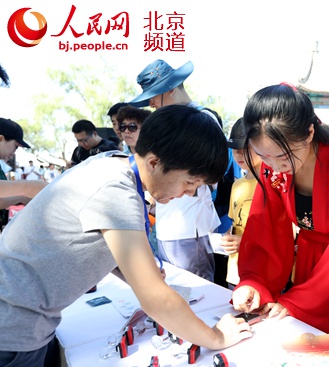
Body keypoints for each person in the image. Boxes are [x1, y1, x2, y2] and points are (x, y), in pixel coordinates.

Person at [0, 105, 252, 366]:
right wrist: (217, 337)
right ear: (154, 163)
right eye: (190, 183)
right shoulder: (117, 189)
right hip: (13, 327)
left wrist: (130, 270)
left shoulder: (109, 164)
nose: (189, 194)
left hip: (21, 319)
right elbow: (156, 300)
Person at [231, 84, 329, 354]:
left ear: (310, 132)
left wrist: (299, 302)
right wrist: (254, 282)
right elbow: (264, 231)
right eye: (263, 156)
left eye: (281, 156)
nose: (274, 166)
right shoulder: (271, 170)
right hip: (308, 267)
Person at [129, 59, 227, 283]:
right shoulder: (165, 123)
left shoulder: (203, 121)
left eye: (153, 96)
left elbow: (207, 178)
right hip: (166, 224)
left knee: (195, 291)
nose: (151, 104)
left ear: (170, 88)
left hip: (189, 228)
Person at [219, 118, 263, 289]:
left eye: (245, 148)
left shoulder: (272, 185)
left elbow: (282, 235)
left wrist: (244, 242)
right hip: (235, 271)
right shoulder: (236, 185)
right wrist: (227, 238)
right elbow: (234, 223)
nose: (238, 154)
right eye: (235, 149)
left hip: (260, 272)